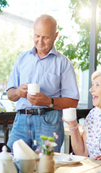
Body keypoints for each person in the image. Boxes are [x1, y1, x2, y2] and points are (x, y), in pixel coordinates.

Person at [6, 14, 79, 152]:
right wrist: (17, 92)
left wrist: (49, 101)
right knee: (11, 162)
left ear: (55, 36)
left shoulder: (63, 63)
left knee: (46, 167)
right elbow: (10, 94)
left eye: (45, 37)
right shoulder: (22, 58)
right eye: (37, 36)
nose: (40, 41)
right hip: (21, 120)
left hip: (49, 121)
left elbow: (73, 102)